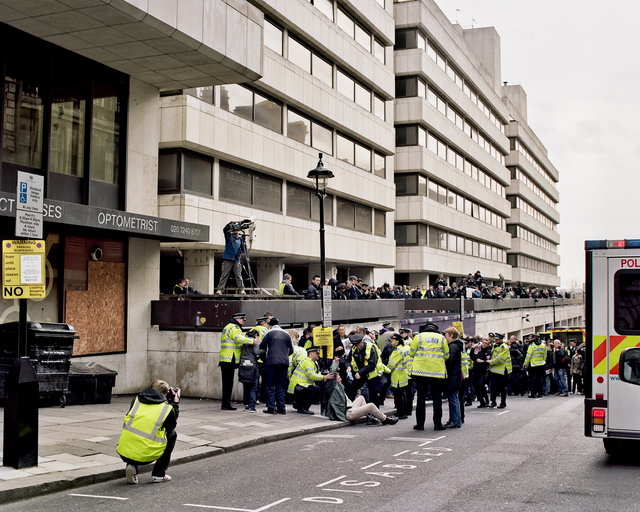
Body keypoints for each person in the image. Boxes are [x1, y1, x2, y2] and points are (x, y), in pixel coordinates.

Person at [117, 380, 180, 484]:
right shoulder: (166, 408)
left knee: (138, 430)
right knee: (172, 434)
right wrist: (175, 404)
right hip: (147, 456)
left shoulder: (136, 400)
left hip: (124, 451)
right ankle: (158, 474)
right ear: (166, 393)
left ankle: (132, 466)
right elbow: (171, 427)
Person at [409, 322, 449, 431]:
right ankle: (437, 424)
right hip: (437, 373)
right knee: (437, 399)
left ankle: (420, 425)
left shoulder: (418, 337)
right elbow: (446, 355)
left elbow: (411, 353)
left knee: (421, 398)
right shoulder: (441, 338)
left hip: (420, 372)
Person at [219, 312, 258, 410]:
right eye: (243, 320)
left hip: (226, 358)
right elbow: (238, 339)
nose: (243, 322)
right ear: (238, 319)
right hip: (229, 359)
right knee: (228, 383)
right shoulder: (234, 328)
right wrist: (253, 341)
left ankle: (226, 404)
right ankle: (226, 404)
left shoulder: (228, 327)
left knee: (227, 382)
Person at [259, 317, 294, 414]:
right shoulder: (287, 334)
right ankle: (281, 409)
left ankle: (271, 408)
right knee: (281, 386)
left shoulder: (268, 333)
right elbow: (291, 350)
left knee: (270, 386)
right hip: (284, 363)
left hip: (271, 363)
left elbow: (261, 347)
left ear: (271, 325)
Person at [288, 346, 334, 414]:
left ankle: (298, 404)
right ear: (311, 354)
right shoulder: (307, 361)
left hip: (299, 387)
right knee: (316, 390)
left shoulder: (312, 362)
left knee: (314, 389)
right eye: (317, 353)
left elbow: (316, 374)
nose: (318, 355)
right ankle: (303, 408)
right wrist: (325, 377)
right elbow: (312, 376)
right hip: (298, 387)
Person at [347, 333, 385, 408]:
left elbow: (372, 364)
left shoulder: (371, 348)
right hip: (360, 374)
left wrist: (360, 372)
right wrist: (348, 367)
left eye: (357, 345)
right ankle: (351, 409)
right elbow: (348, 359)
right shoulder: (354, 348)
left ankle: (375, 413)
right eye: (355, 345)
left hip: (371, 374)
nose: (356, 347)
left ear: (362, 342)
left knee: (373, 395)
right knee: (351, 389)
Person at [215, 221, 245, 295]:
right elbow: (225, 229)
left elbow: (243, 250)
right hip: (228, 259)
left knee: (238, 275)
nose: (236, 231)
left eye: (237, 229)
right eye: (234, 229)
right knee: (224, 274)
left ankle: (242, 290)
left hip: (236, 259)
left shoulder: (240, 239)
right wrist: (231, 223)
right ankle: (219, 289)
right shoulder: (229, 236)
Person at [444, 326, 463, 428]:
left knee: (453, 398)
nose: (445, 337)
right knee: (454, 398)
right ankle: (455, 419)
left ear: (451, 335)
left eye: (446, 335)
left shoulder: (452, 346)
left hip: (453, 376)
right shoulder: (456, 346)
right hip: (455, 375)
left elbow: (449, 360)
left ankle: (455, 420)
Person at [386, 333, 409, 419]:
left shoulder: (397, 351)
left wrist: (384, 370)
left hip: (397, 376)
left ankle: (401, 413)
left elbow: (391, 365)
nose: (391, 341)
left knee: (399, 396)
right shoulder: (403, 348)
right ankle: (403, 412)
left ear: (397, 341)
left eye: (393, 340)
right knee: (402, 394)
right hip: (403, 374)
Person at [488, 333, 512, 409]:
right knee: (493, 387)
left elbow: (500, 359)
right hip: (494, 370)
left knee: (502, 388)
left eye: (497, 339)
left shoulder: (504, 347)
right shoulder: (495, 346)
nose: (496, 340)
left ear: (501, 340)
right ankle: (493, 401)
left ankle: (503, 402)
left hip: (502, 370)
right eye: (495, 339)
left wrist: (490, 362)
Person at [470, 337, 491, 407]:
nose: (484, 344)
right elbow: (472, 356)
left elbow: (489, 361)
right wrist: (473, 349)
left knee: (481, 386)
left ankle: (487, 400)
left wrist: (482, 361)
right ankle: (482, 402)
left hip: (483, 371)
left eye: (486, 343)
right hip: (475, 370)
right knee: (476, 387)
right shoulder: (478, 349)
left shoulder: (488, 351)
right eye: (483, 342)